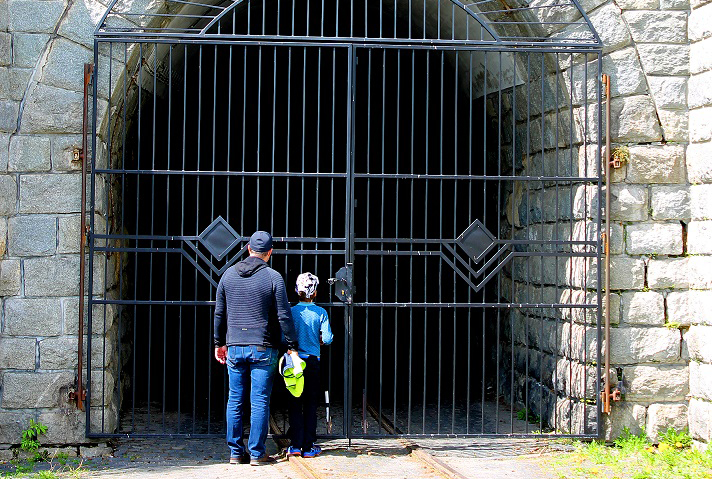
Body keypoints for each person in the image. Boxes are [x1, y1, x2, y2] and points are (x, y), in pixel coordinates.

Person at [213, 231, 298, 466]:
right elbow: (283, 315)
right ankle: (258, 454)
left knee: (235, 400)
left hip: (234, 347)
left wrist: (219, 343)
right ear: (269, 253)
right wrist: (292, 345)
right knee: (259, 400)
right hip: (263, 347)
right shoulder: (273, 277)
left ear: (248, 249)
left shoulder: (228, 276)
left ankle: (235, 452)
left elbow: (219, 313)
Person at [285, 272, 333, 458]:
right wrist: (319, 339)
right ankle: (308, 446)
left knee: (294, 402)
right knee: (311, 404)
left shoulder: (290, 311)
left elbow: (284, 337)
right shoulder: (321, 312)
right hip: (312, 362)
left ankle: (295, 444)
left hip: (294, 361)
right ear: (315, 293)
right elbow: (328, 338)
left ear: (297, 291)